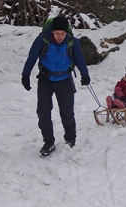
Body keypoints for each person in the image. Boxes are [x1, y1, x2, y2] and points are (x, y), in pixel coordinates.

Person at [21, 16, 90, 156]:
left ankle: (70, 138)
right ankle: (48, 142)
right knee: (43, 112)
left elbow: (79, 59)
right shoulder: (42, 40)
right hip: (45, 79)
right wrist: (25, 75)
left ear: (67, 33)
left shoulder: (72, 42)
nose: (59, 36)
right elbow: (32, 57)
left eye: (62, 34)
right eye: (57, 33)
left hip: (64, 79)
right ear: (52, 32)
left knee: (67, 111)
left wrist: (85, 74)